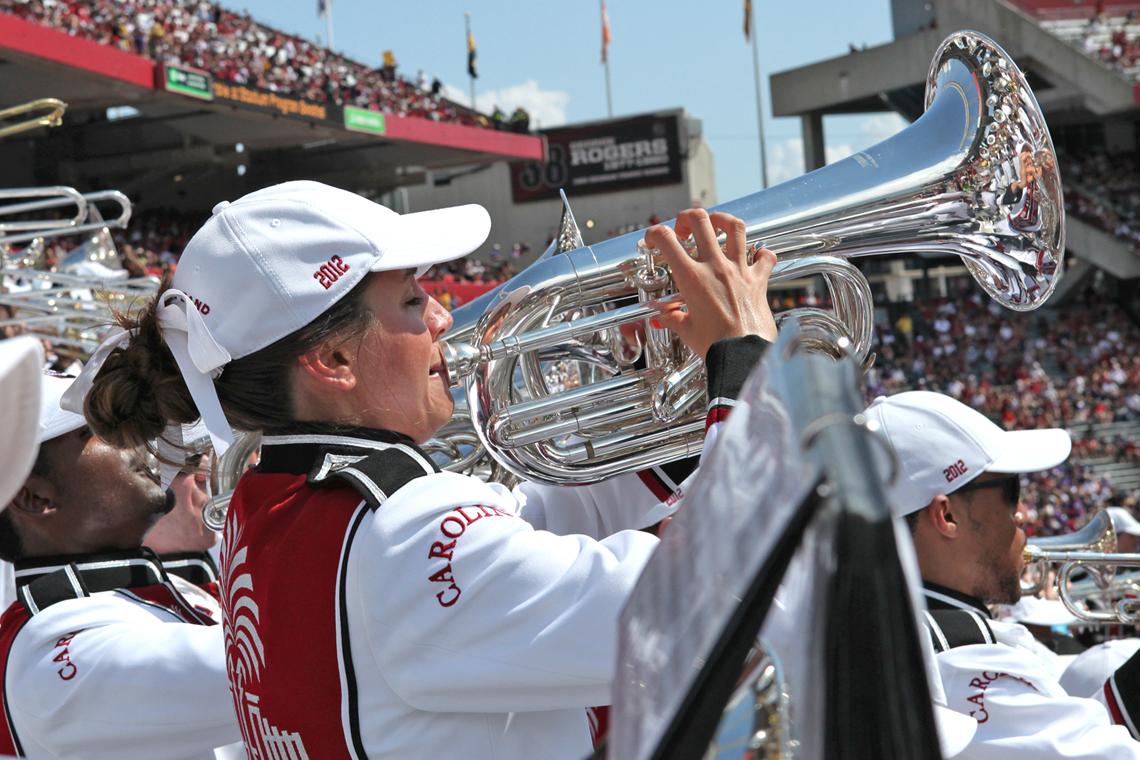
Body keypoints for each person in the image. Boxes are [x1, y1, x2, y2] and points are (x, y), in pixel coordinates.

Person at [80, 181, 778, 759]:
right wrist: (744, 363)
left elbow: (512, 551)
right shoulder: (396, 526)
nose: (444, 318)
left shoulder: (278, 505)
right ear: (333, 362)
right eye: (412, 300)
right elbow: (711, 599)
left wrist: (680, 419)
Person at [865, 390, 1140, 757]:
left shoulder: (905, 630)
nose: (1023, 513)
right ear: (947, 516)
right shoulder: (955, 656)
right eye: (1011, 492)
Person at [0, 373, 241, 759]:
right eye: (99, 431)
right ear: (34, 497)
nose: (138, 440)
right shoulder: (53, 650)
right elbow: (274, 667)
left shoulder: (161, 595)